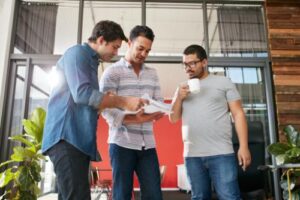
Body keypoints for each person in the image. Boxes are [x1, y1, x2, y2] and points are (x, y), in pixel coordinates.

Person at [42, 20, 148, 200]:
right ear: (100, 40)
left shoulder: (90, 62)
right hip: (66, 137)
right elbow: (82, 94)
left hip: (76, 141)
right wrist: (122, 102)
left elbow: (85, 102)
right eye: (114, 47)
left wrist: (107, 100)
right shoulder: (77, 53)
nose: (116, 53)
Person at [169, 44, 251, 200]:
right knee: (199, 197)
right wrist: (179, 97)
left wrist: (244, 146)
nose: (188, 68)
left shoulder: (224, 82)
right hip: (192, 156)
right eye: (185, 64)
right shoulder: (181, 89)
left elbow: (238, 114)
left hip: (221, 153)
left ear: (204, 62)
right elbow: (173, 118)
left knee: (229, 197)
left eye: (192, 63)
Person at [99, 25, 164, 200]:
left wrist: (158, 110)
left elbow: (159, 102)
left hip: (148, 145)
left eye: (147, 51)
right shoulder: (112, 72)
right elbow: (105, 108)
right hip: (121, 145)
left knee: (154, 195)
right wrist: (133, 118)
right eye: (140, 48)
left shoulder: (153, 74)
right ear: (129, 43)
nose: (143, 54)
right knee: (122, 195)